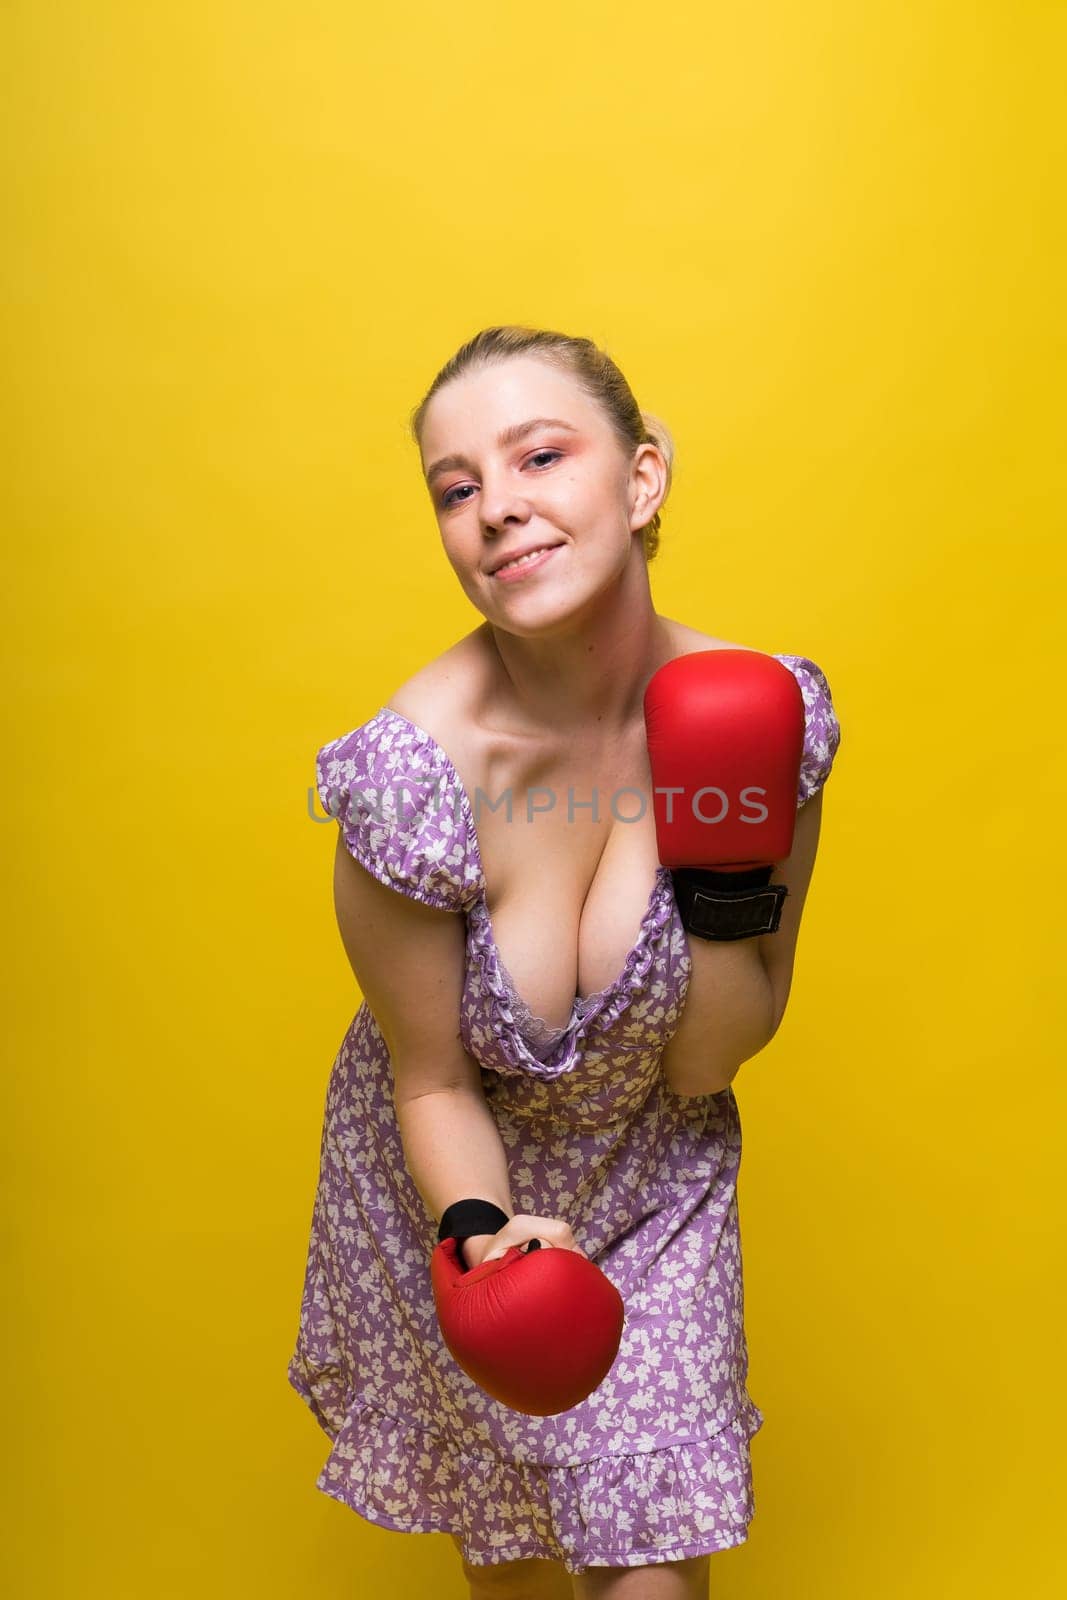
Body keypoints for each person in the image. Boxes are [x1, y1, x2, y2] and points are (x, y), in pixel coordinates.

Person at [288, 324, 842, 1597]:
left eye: (539, 455)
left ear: (641, 480)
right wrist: (482, 1242)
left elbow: (709, 1054)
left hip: (656, 1169)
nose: (498, 509)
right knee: (526, 1576)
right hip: (460, 1177)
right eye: (457, 486)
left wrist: (718, 857)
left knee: (650, 1576)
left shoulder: (761, 716)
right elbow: (429, 1080)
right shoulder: (411, 776)